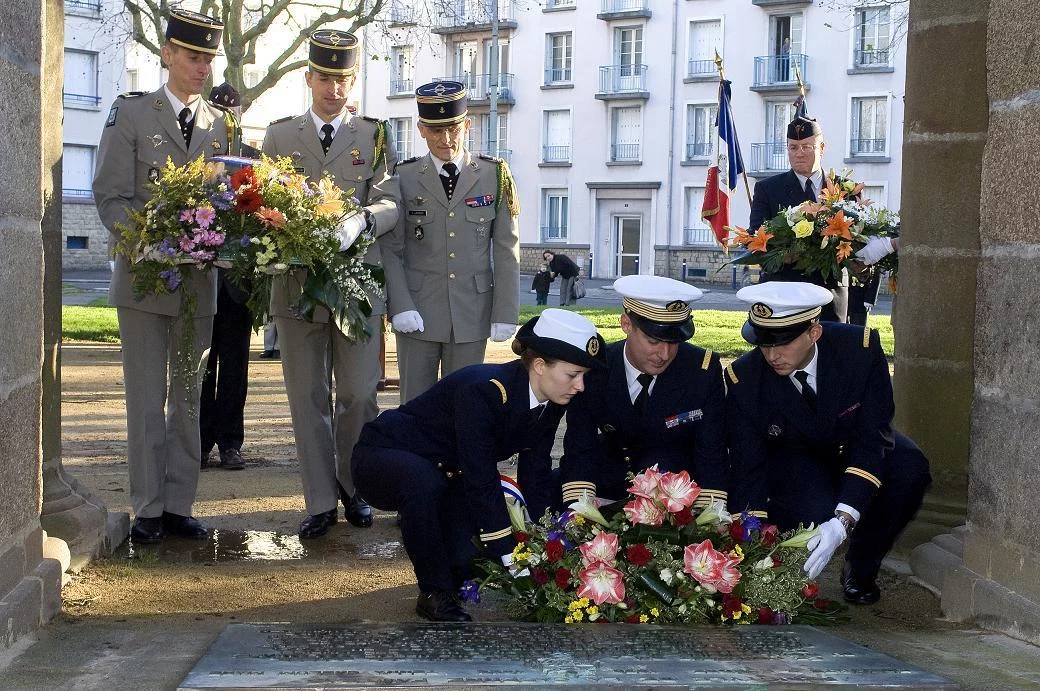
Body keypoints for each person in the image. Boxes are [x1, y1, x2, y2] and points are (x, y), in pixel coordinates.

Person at [352, 309, 606, 621]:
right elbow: (480, 475)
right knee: (424, 485)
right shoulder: (485, 391)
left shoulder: (551, 398)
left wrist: (543, 541)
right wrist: (507, 550)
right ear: (539, 366)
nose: (580, 386)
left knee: (465, 560)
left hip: (446, 470)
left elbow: (535, 471)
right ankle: (434, 593)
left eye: (584, 376)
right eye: (573, 375)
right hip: (384, 456)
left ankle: (449, 578)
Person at [92, 9, 239, 544]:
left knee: (189, 400)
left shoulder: (219, 125)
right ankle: (148, 508)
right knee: (146, 400)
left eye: (208, 59)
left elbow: (224, 203)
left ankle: (180, 505)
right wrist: (145, 238)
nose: (202, 68)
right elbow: (109, 195)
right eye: (194, 57)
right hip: (145, 281)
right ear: (168, 55)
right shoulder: (130, 114)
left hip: (199, 284)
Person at [262, 29, 401, 539]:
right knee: (308, 398)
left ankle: (354, 486)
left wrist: (361, 220)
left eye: (342, 79)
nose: (333, 88)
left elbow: (391, 200)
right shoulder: (279, 137)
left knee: (362, 395)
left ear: (353, 80)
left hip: (357, 285)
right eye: (325, 77)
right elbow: (261, 201)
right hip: (296, 288)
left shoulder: (374, 135)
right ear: (308, 79)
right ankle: (320, 499)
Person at [725, 282, 931, 605]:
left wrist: (844, 519)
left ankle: (860, 566)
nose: (771, 354)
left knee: (910, 467)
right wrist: (752, 550)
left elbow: (873, 436)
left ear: (814, 332)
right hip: (797, 461)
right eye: (763, 343)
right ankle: (788, 571)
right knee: (815, 509)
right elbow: (749, 468)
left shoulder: (859, 351)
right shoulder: (745, 379)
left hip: (855, 445)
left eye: (782, 342)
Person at [382, 81, 521, 403]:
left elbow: (506, 249)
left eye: (453, 129)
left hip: (472, 311)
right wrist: (400, 305)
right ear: (421, 130)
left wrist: (505, 311)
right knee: (416, 403)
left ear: (467, 125)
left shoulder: (494, 174)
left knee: (467, 402)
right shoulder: (402, 177)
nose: (445, 140)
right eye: (435, 131)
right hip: (418, 310)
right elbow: (392, 248)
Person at [559, 275, 728, 507]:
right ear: (626, 324)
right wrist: (580, 511)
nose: (665, 354)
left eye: (674, 342)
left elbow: (712, 452)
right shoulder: (597, 369)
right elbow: (580, 446)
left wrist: (708, 518)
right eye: (653, 341)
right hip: (608, 482)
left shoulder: (702, 370)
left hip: (674, 495)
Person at [199, 83, 255, 472]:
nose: (228, 118)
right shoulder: (197, 157)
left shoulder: (255, 158)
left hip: (238, 282)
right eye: (221, 112)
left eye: (233, 111)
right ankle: (200, 442)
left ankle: (231, 443)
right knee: (202, 364)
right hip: (202, 277)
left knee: (235, 366)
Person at [748, 116, 849, 322]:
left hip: (831, 292)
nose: (799, 154)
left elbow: (856, 239)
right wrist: (782, 253)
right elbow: (754, 237)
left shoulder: (845, 189)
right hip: (784, 292)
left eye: (806, 147)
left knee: (832, 349)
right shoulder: (767, 189)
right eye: (793, 148)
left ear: (822, 147)